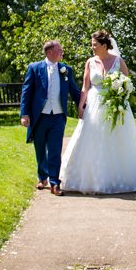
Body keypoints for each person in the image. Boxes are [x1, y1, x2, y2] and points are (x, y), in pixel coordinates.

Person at [60, 30, 136, 194]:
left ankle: (118, 177)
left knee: (116, 139)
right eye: (92, 45)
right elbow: (85, 86)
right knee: (91, 139)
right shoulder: (90, 62)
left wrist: (120, 95)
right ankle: (92, 178)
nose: (92, 47)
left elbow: (127, 83)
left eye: (95, 45)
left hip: (114, 104)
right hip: (94, 105)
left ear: (104, 45)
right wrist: (81, 105)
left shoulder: (118, 61)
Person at [20, 39, 82, 196]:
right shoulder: (34, 68)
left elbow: (74, 91)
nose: (62, 53)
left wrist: (84, 106)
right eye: (59, 50)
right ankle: (42, 178)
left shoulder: (66, 69)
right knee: (40, 149)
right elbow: (26, 92)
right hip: (40, 116)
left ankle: (55, 183)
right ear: (50, 52)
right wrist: (24, 114)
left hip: (58, 117)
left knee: (55, 150)